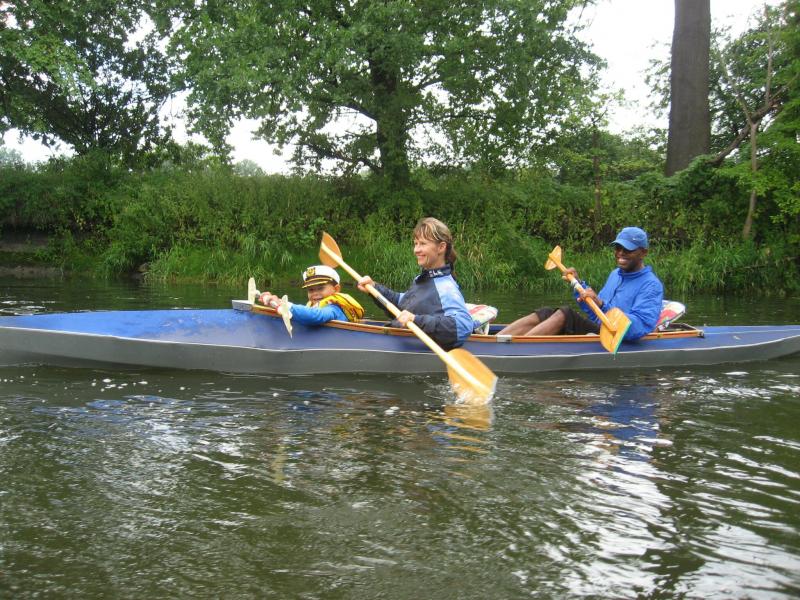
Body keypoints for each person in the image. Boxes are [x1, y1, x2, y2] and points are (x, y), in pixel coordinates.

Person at [498, 227, 664, 340]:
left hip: (615, 337)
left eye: (627, 249)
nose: (620, 253)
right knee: (546, 312)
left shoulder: (651, 285)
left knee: (566, 314)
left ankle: (517, 350)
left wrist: (602, 304)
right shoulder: (615, 275)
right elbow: (595, 312)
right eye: (618, 248)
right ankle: (496, 342)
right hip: (599, 329)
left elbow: (640, 326)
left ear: (643, 253)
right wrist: (578, 285)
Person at [356, 217, 474, 351]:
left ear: (441, 247)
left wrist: (416, 320)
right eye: (416, 243)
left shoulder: (446, 287)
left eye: (422, 244)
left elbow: (463, 326)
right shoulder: (422, 279)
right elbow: (402, 303)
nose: (416, 250)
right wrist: (374, 288)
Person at [257, 265, 364, 325]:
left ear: (336, 289)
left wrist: (284, 304)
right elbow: (304, 313)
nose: (315, 293)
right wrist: (274, 304)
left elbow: (316, 316)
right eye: (311, 290)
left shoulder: (333, 308)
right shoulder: (313, 307)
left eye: (321, 288)